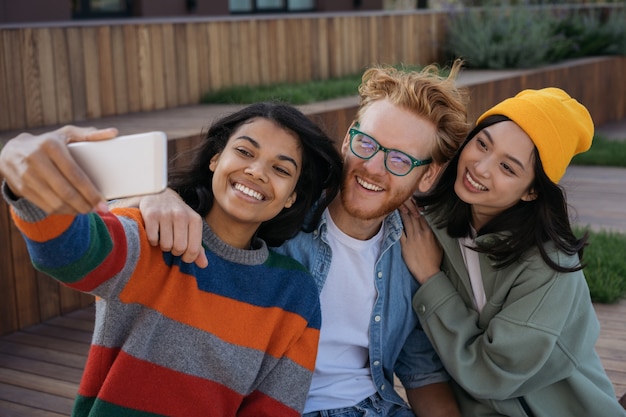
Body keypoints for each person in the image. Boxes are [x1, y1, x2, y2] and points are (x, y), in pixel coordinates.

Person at [117, 62, 472, 416]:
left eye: (399, 159)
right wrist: (156, 194)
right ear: (349, 138)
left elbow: (422, 372)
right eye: (368, 144)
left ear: (428, 175)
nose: (374, 168)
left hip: (377, 406)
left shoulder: (415, 248)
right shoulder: (276, 212)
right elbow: (214, 210)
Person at [0, 102, 344, 417]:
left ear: (291, 198)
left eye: (281, 170)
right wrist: (24, 176)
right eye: (243, 151)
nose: (256, 171)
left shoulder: (295, 294)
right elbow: (66, 254)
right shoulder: (150, 233)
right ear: (215, 160)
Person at [400, 87, 626, 417]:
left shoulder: (549, 267)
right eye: (482, 143)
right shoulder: (430, 226)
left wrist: (432, 280)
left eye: (508, 168)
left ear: (532, 191)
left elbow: (491, 375)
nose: (480, 167)